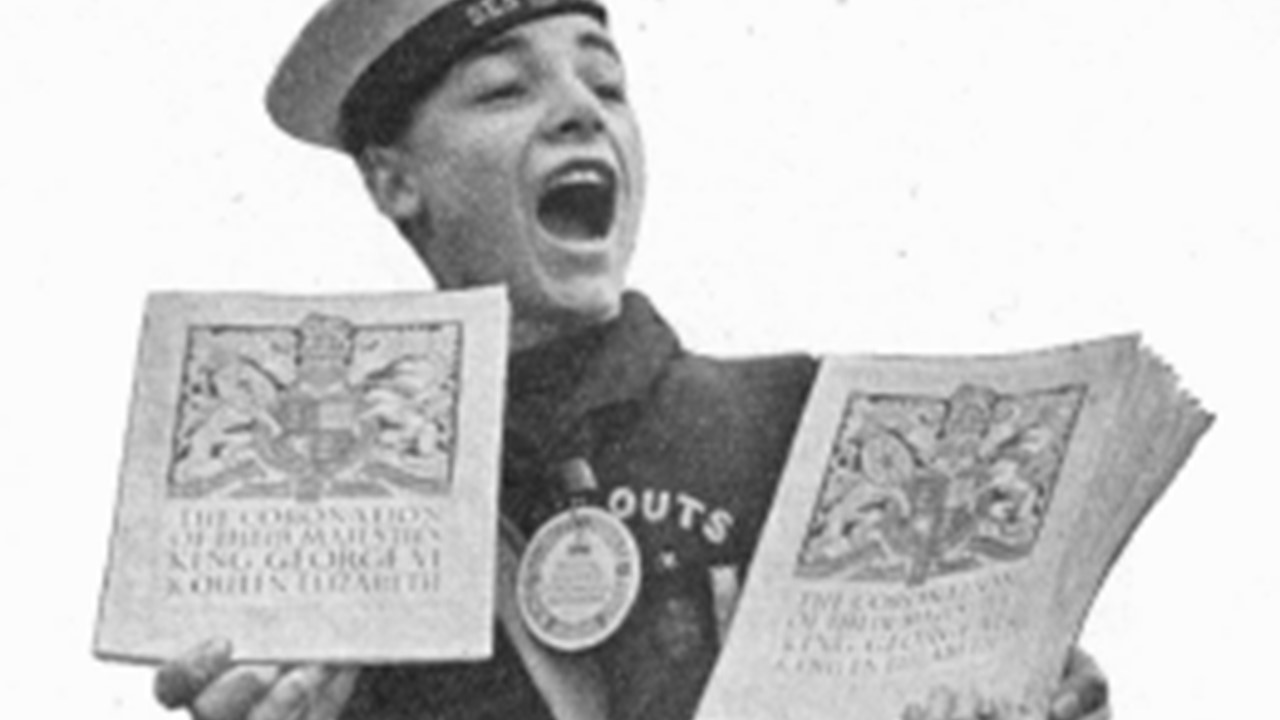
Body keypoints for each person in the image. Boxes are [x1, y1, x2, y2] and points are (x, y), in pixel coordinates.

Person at [153, 1, 1111, 718]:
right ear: (395, 181)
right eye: (503, 88)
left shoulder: (801, 424)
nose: (581, 111)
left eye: (605, 84)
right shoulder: (328, 513)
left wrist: (1046, 696)